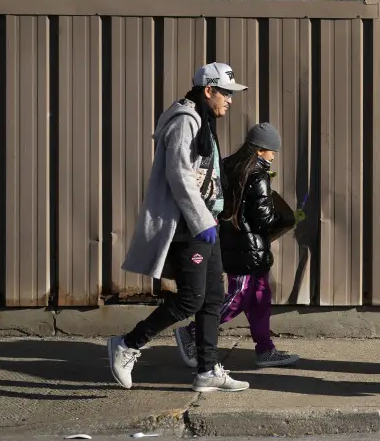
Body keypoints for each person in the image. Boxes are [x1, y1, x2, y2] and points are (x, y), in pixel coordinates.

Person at [109, 63, 250, 393]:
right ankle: (128, 344)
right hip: (190, 227)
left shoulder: (202, 120)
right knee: (190, 299)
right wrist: (202, 222)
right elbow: (180, 175)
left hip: (206, 223)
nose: (230, 99)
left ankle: (207, 369)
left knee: (213, 298)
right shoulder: (185, 121)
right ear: (208, 91)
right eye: (226, 92)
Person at [173, 122, 301, 370]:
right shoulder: (257, 174)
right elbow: (262, 219)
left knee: (260, 299)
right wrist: (286, 218)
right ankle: (191, 332)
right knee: (238, 296)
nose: (274, 155)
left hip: (237, 244)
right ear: (261, 150)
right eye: (272, 150)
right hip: (248, 250)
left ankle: (265, 350)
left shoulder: (229, 167)